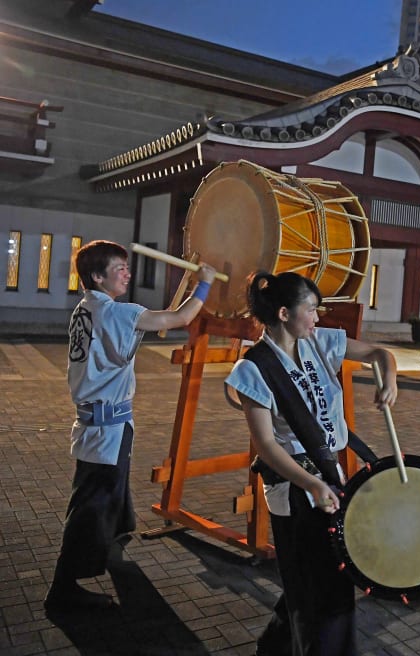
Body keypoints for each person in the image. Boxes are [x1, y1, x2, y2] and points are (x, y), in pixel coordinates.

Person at [224, 270, 398, 656]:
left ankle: (274, 648)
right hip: (294, 488)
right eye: (312, 310)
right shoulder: (253, 369)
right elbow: (267, 447)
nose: (318, 318)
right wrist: (313, 484)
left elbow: (378, 353)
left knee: (312, 580)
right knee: (325, 590)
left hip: (330, 479)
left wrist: (389, 379)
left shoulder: (318, 343)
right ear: (284, 314)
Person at [46, 240, 217, 611]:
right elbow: (179, 319)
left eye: (126, 266)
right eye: (119, 268)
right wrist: (204, 283)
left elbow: (162, 316)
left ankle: (115, 535)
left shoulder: (85, 309)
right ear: (97, 276)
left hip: (101, 421)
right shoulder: (117, 313)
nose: (127, 273)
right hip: (104, 426)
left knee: (111, 486)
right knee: (90, 503)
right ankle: (63, 587)